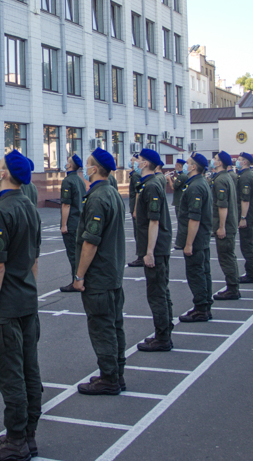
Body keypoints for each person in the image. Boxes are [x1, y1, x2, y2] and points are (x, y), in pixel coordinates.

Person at [0, 150, 42, 461]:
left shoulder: (0, 212)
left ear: (5, 174)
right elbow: (34, 258)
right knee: (30, 370)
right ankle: (28, 435)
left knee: (11, 373)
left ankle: (15, 441)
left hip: (8, 306)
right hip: (27, 301)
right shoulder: (29, 206)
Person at [71, 147, 127, 393]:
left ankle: (110, 379)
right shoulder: (112, 192)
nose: (85, 169)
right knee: (114, 325)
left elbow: (90, 242)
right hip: (112, 273)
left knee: (102, 327)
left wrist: (79, 275)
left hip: (100, 275)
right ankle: (116, 373)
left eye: (87, 165)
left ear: (95, 169)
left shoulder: (97, 198)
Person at [133, 149, 173, 352]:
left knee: (157, 293)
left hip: (156, 248)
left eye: (139, 160)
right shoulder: (150, 184)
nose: (136, 162)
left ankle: (163, 337)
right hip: (158, 246)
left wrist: (149, 252)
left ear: (146, 163)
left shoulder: (151, 186)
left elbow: (154, 221)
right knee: (160, 290)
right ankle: (164, 332)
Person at [176, 153, 214, 322]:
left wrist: (189, 243)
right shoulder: (199, 183)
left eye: (188, 163)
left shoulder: (195, 187)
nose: (185, 165)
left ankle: (201, 308)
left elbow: (194, 218)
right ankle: (204, 305)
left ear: (193, 167)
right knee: (203, 271)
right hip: (202, 237)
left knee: (196, 273)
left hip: (196, 239)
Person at [210, 152, 240, 301]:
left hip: (225, 225)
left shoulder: (221, 180)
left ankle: (233, 288)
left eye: (215, 159)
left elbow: (222, 206)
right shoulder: (226, 177)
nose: (213, 161)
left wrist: (221, 227)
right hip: (230, 224)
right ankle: (233, 286)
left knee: (226, 257)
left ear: (220, 163)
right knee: (229, 256)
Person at [59, 154, 87, 293]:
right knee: (79, 253)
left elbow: (66, 205)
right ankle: (82, 279)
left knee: (73, 254)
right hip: (80, 221)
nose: (66, 163)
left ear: (70, 165)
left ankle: (76, 281)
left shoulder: (68, 181)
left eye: (67, 161)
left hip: (72, 223)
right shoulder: (80, 180)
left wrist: (64, 224)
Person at [236, 152, 253, 284]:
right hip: (252, 215)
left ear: (245, 162)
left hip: (248, 216)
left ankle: (251, 274)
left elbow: (245, 199)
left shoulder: (245, 177)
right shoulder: (249, 174)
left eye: (239, 159)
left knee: (247, 246)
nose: (237, 161)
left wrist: (243, 217)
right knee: (251, 244)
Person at [128, 154, 143, 267]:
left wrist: (135, 210)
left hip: (136, 207)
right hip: (135, 206)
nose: (130, 162)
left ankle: (141, 257)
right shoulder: (135, 174)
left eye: (132, 160)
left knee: (138, 233)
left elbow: (138, 192)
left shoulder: (136, 175)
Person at [169, 159, 189, 241]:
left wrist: (169, 179)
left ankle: (182, 240)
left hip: (179, 201)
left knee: (181, 222)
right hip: (181, 201)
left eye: (175, 165)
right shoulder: (182, 175)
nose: (175, 167)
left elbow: (173, 187)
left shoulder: (182, 176)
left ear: (180, 166)